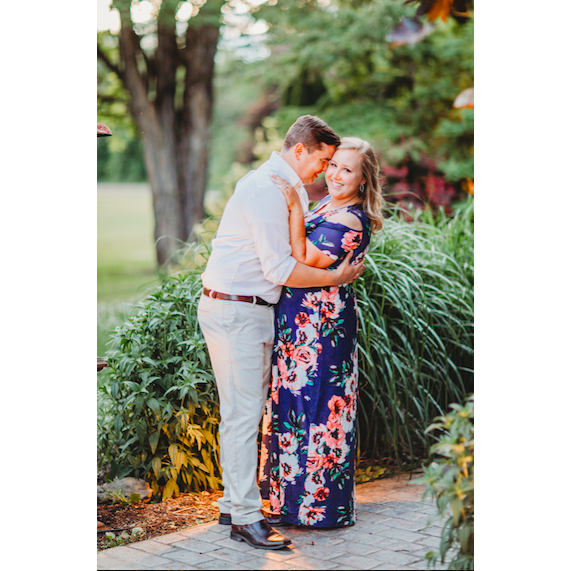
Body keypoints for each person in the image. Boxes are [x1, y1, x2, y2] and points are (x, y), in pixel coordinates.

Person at [197, 116, 365, 550]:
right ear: (301, 150)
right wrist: (337, 279)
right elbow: (281, 269)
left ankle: (233, 504)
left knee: (242, 413)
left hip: (248, 309)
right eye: (323, 161)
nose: (324, 171)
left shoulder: (284, 188)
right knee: (242, 416)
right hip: (236, 310)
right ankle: (245, 519)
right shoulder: (268, 189)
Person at [259, 136, 384, 528]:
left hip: (321, 329)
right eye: (333, 166)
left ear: (364, 180)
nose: (335, 175)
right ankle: (288, 503)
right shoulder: (329, 204)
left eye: (347, 170)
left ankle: (319, 509)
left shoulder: (351, 218)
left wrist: (295, 205)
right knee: (293, 407)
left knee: (320, 407)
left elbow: (305, 257)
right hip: (299, 326)